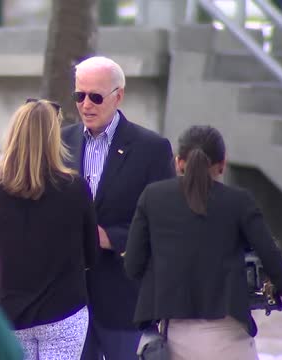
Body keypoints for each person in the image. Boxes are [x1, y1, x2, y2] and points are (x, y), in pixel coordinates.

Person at [124, 125, 282, 360]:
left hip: (174, 338)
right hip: (229, 334)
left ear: (178, 162)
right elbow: (271, 256)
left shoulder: (152, 197)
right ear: (222, 164)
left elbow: (132, 265)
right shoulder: (238, 202)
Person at [61, 56, 175, 360]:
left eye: (96, 97)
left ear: (118, 96)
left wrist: (109, 238)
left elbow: (164, 224)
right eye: (79, 96)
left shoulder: (151, 149)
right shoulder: (61, 142)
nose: (86, 105)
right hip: (68, 302)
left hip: (123, 300)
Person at [0, 100, 97, 359]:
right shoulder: (75, 188)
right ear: (53, 138)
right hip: (64, 311)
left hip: (13, 314)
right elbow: (92, 254)